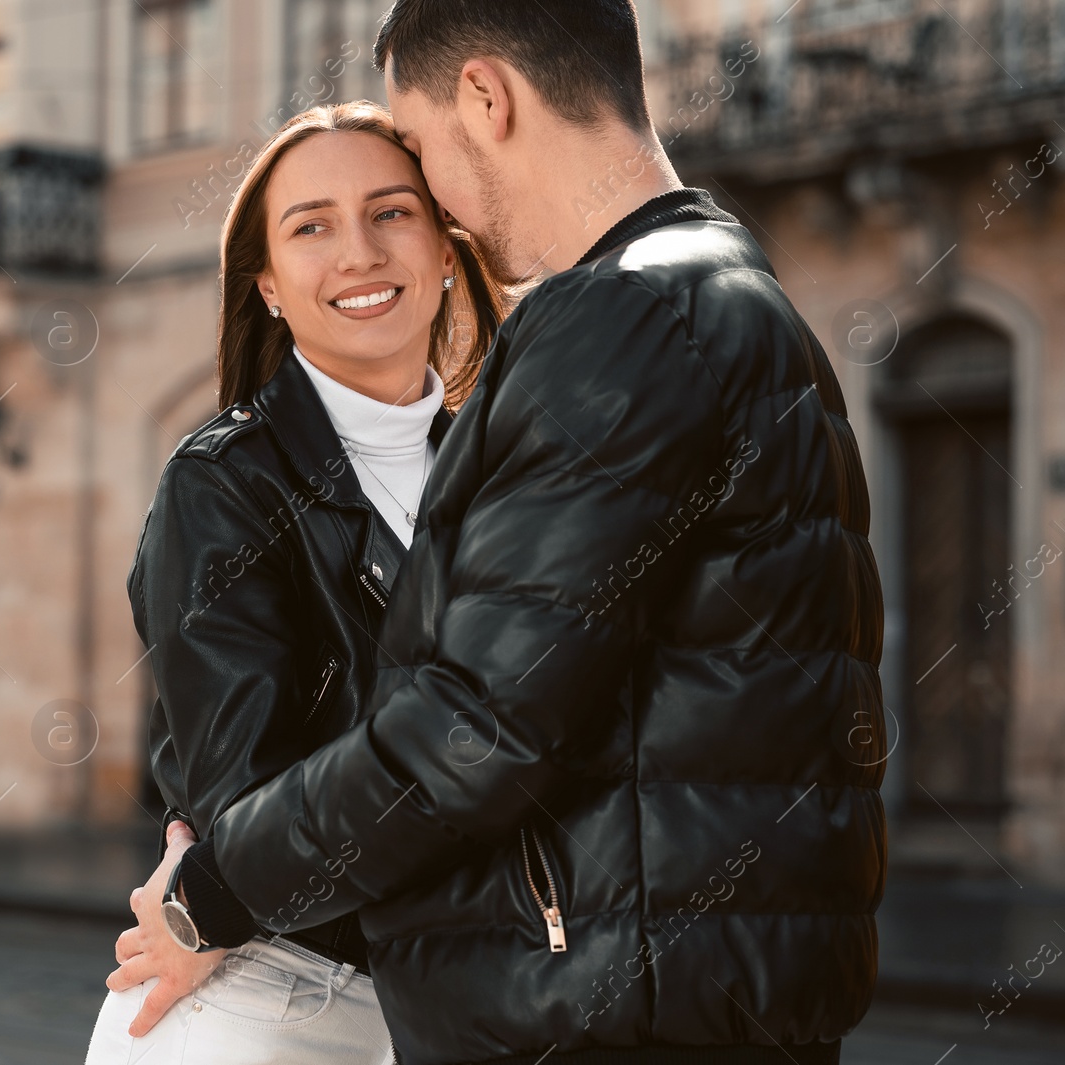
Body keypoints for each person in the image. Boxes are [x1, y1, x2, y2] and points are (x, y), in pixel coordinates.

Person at [112, 3, 887, 1064]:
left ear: (487, 97)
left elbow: (478, 722)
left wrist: (212, 891)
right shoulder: (736, 294)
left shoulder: (616, 315)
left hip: (618, 1016)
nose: (433, 201)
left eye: (417, 158)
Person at [83, 101, 505, 1064]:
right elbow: (246, 806)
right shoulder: (224, 481)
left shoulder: (508, 475)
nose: (357, 252)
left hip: (449, 1008)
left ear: (446, 250)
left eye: (392, 212)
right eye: (310, 226)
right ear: (268, 284)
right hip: (266, 1000)